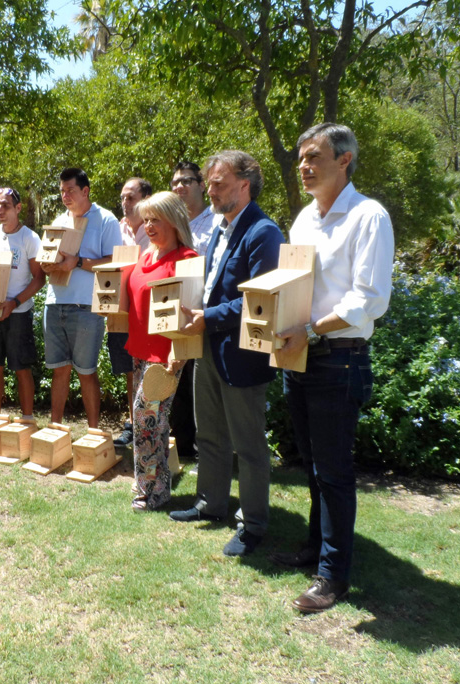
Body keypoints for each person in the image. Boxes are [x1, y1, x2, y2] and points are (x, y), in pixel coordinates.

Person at [272, 123, 394, 613]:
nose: (304, 165)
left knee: (335, 471)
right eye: (301, 158)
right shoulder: (304, 219)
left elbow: (369, 301)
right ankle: (316, 550)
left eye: (314, 156)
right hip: (299, 357)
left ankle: (333, 577)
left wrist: (312, 330)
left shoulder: (369, 217)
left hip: (338, 360)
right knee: (313, 467)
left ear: (344, 160)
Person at [170, 151, 284, 558]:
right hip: (210, 350)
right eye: (211, 183)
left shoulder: (264, 232)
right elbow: (211, 284)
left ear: (244, 184)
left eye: (218, 183)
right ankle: (210, 503)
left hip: (243, 356)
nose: (211, 190)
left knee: (249, 447)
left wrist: (207, 317)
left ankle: (253, 524)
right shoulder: (220, 228)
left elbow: (260, 301)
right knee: (210, 435)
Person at [122, 191, 198, 511]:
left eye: (157, 219)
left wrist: (178, 353)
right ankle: (152, 486)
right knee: (149, 422)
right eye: (147, 219)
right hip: (140, 350)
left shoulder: (187, 258)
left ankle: (152, 491)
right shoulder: (145, 255)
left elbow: (192, 311)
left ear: (175, 220)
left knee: (146, 417)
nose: (150, 225)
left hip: (166, 356)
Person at [41, 168, 122, 428]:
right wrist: (47, 265)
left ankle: (94, 433)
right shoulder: (58, 220)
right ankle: (54, 430)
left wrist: (78, 263)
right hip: (54, 303)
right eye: (62, 191)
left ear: (85, 191)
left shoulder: (106, 219)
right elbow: (51, 256)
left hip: (87, 306)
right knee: (59, 370)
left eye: (70, 190)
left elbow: (115, 261)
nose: (65, 196)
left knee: (86, 371)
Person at [0, 187, 45, 418]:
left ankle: (27, 420)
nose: (0, 210)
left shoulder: (30, 237)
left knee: (21, 368)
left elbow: (39, 278)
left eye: (5, 205)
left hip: (18, 313)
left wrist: (14, 303)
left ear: (18, 208)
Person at [168, 161, 220, 463]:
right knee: (179, 378)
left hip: (208, 312)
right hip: (179, 310)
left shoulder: (216, 223)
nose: (180, 187)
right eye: (175, 182)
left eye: (187, 181)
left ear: (202, 185)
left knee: (204, 386)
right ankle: (185, 447)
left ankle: (208, 449)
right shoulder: (174, 223)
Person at [112, 177, 152, 447]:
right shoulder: (116, 229)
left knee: (151, 369)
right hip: (121, 312)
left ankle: (152, 425)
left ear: (145, 200)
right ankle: (134, 423)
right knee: (129, 370)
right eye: (123, 198)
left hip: (148, 311)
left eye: (131, 198)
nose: (125, 203)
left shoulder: (157, 227)